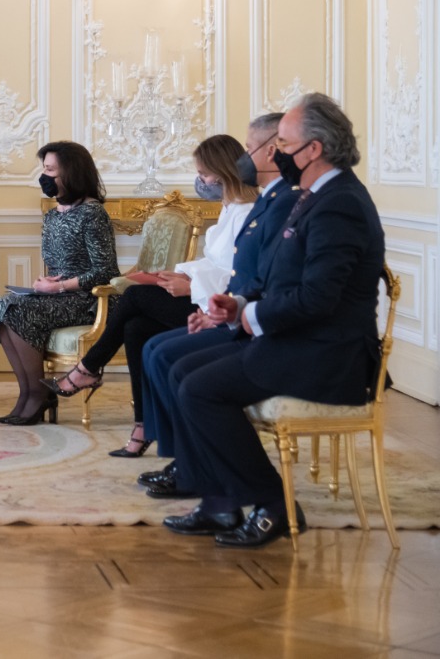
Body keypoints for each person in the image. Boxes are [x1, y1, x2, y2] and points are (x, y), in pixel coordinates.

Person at [162, 94, 385, 548]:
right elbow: (282, 275)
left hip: (327, 351)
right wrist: (238, 303)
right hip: (299, 338)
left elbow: (320, 298)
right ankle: (220, 504)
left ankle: (276, 504)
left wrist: (251, 315)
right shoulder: (314, 196)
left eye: (282, 142)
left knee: (200, 389)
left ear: (314, 149)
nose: (274, 153)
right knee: (184, 369)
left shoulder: (339, 203)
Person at [42, 134, 257, 455]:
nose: (200, 181)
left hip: (221, 309)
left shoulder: (248, 211)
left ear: (225, 171)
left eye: (204, 175)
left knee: (136, 298)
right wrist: (181, 272)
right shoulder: (228, 209)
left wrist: (190, 283)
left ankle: (86, 370)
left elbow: (241, 273)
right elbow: (214, 262)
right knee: (135, 328)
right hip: (203, 294)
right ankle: (142, 427)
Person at [138, 114, 299, 496]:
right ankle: (196, 470)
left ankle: (243, 491)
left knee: (179, 368)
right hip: (239, 315)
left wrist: (231, 312)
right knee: (151, 341)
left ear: (272, 151)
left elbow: (289, 287)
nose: (243, 156)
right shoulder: (272, 201)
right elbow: (252, 278)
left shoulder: (287, 202)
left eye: (248, 149)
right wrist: (227, 308)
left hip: (275, 335)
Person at [0, 141, 119, 426]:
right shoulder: (53, 214)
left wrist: (59, 287)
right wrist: (47, 280)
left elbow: (105, 271)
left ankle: (38, 394)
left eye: (50, 169)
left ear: (71, 173)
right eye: (44, 169)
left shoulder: (92, 214)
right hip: (59, 294)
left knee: (18, 312)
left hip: (87, 299)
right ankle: (28, 392)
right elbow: (58, 265)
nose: (44, 176)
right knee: (3, 307)